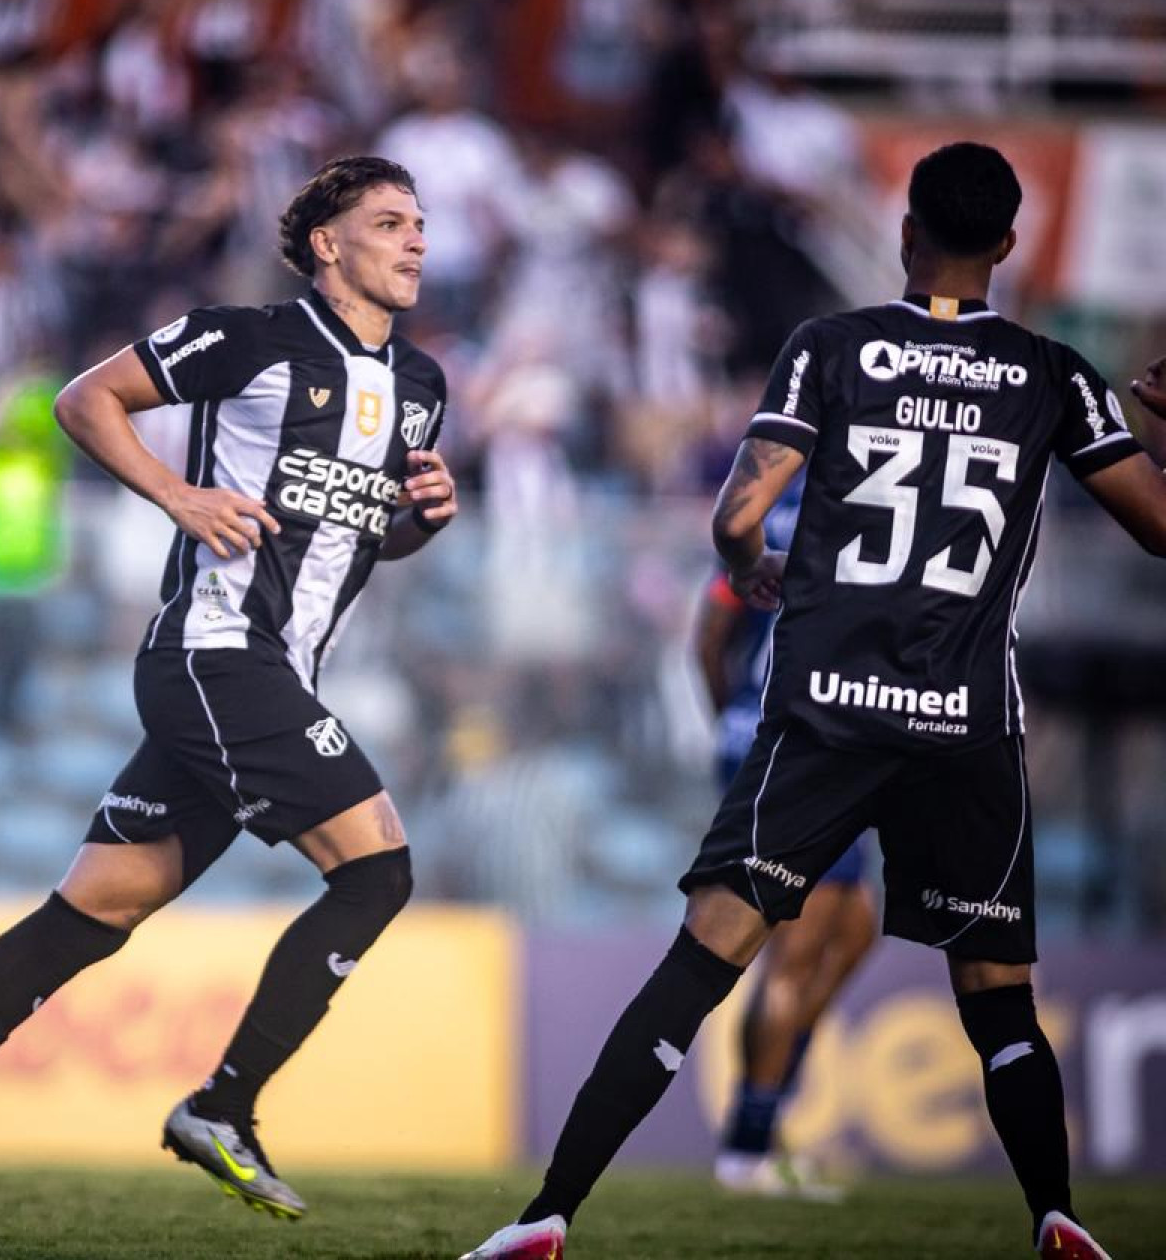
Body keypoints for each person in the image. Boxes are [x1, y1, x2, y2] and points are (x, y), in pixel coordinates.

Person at [462, 143, 1152, 1259]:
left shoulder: (832, 346)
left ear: (904, 231)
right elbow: (1159, 530)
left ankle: (546, 1216)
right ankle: (1056, 1213)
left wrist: (753, 570)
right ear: (1009, 245)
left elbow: (739, 515)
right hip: (965, 724)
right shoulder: (1054, 373)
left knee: (701, 963)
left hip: (828, 710)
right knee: (999, 1002)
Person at [0, 155, 457, 1244]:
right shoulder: (249, 337)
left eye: (420, 224)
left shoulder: (424, 385)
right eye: (390, 222)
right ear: (328, 244)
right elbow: (86, 399)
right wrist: (178, 494)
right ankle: (223, 1106)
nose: (417, 240)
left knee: (93, 913)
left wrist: (419, 524)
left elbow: (358, 538)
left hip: (268, 677)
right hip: (215, 656)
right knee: (378, 868)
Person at [691, 473, 874, 1197]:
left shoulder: (771, 509)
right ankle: (748, 1147)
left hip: (768, 738)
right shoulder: (879, 513)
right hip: (815, 743)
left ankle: (765, 1111)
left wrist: (732, 721)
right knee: (795, 951)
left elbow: (710, 634)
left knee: (854, 930)